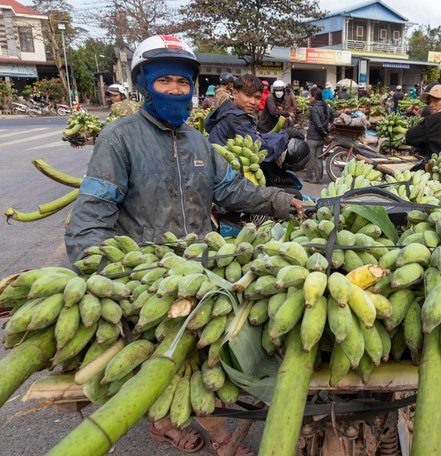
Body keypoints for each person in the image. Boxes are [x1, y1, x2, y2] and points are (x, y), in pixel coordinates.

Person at [64, 35, 302, 456]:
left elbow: (233, 191)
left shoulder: (197, 143)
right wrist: (102, 279)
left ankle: (202, 416)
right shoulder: (119, 139)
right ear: (144, 84)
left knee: (204, 351)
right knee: (157, 359)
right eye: (165, 81)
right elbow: (91, 216)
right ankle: (177, 426)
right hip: (144, 277)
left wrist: (285, 202)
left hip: (199, 268)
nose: (176, 89)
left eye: (183, 81)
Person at [306, 86, 336, 183]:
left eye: (310, 95)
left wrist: (323, 133)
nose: (308, 97)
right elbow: (334, 113)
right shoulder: (324, 105)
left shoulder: (314, 108)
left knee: (311, 158)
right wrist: (325, 134)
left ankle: (313, 178)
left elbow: (318, 125)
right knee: (319, 158)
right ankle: (319, 178)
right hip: (321, 138)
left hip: (313, 137)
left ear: (314, 97)